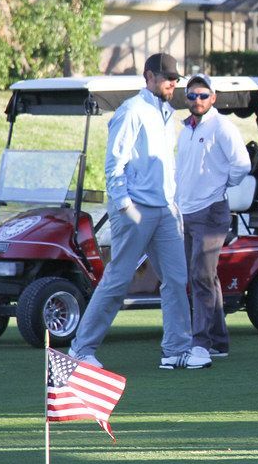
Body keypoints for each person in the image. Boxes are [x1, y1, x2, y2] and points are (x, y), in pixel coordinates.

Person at [69, 53, 210, 370]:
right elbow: (113, 165)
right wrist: (124, 206)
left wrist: (172, 206)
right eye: (167, 77)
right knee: (117, 281)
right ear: (149, 77)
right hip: (134, 210)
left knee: (175, 279)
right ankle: (81, 350)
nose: (173, 83)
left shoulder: (166, 111)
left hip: (164, 211)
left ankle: (176, 350)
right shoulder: (130, 111)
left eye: (175, 78)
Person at [174, 73, 251, 360]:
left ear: (213, 98)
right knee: (205, 277)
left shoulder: (222, 126)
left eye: (203, 95)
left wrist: (222, 185)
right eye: (192, 95)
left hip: (211, 211)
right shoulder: (186, 128)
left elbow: (241, 165)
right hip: (187, 211)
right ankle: (219, 341)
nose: (197, 100)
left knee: (201, 277)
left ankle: (200, 344)